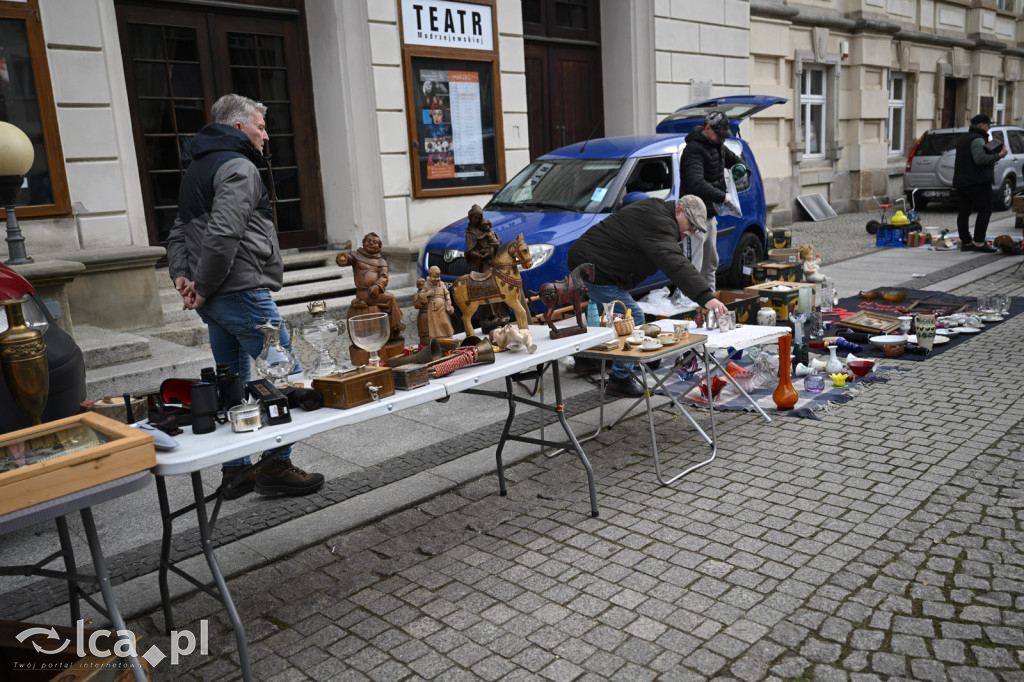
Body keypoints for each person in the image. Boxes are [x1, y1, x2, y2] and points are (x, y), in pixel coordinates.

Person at [167, 93, 325, 499]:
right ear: (237, 128)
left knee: (231, 383)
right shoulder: (238, 166)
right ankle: (276, 465)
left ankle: (237, 470)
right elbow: (223, 234)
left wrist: (184, 278)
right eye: (260, 126)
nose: (265, 135)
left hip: (218, 296)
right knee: (285, 375)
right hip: (238, 291)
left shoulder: (196, 169)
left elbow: (178, 233)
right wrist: (197, 285)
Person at [567, 195, 729, 397]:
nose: (692, 231)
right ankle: (620, 379)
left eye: (696, 228)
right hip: (595, 268)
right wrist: (707, 297)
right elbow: (675, 264)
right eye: (691, 225)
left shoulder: (659, 214)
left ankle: (586, 360)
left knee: (607, 317)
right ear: (678, 211)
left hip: (592, 262)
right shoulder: (660, 224)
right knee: (632, 317)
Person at [680, 110, 745, 290]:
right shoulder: (693, 151)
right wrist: (722, 196)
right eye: (719, 134)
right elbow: (696, 182)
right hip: (692, 216)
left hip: (709, 214)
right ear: (708, 128)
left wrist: (742, 168)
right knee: (694, 266)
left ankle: (711, 300)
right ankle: (691, 305)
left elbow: (734, 159)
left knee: (711, 262)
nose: (722, 139)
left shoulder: (718, 145)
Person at [953, 113, 1007, 253]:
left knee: (964, 212)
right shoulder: (977, 139)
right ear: (981, 125)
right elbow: (980, 159)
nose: (988, 128)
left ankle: (966, 242)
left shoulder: (965, 138)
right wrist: (999, 155)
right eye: (988, 125)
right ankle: (978, 242)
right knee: (986, 209)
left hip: (963, 181)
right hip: (977, 181)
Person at [336, 233, 405, 341]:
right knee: (390, 298)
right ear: (363, 242)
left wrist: (378, 285)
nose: (371, 243)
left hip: (375, 292)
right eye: (368, 241)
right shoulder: (356, 256)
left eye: (375, 242)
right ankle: (395, 324)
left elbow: (384, 276)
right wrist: (342, 257)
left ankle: (392, 325)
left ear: (379, 246)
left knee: (388, 299)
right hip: (364, 293)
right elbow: (345, 260)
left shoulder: (381, 261)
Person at [417, 266, 455, 341]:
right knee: (436, 325)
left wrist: (448, 301)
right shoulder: (426, 284)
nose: (437, 279)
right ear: (430, 276)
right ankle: (439, 339)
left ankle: (448, 335)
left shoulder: (441, 284)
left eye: (438, 277)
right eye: (434, 277)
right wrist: (428, 293)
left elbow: (447, 293)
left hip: (443, 307)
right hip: (433, 309)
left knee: (445, 322)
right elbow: (421, 294)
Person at [464, 204, 502, 271]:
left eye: (479, 218)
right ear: (470, 217)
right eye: (475, 217)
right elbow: (470, 251)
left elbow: (496, 238)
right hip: (484, 261)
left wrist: (496, 243)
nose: (477, 220)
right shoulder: (470, 233)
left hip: (493, 257)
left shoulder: (482, 227)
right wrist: (481, 256)